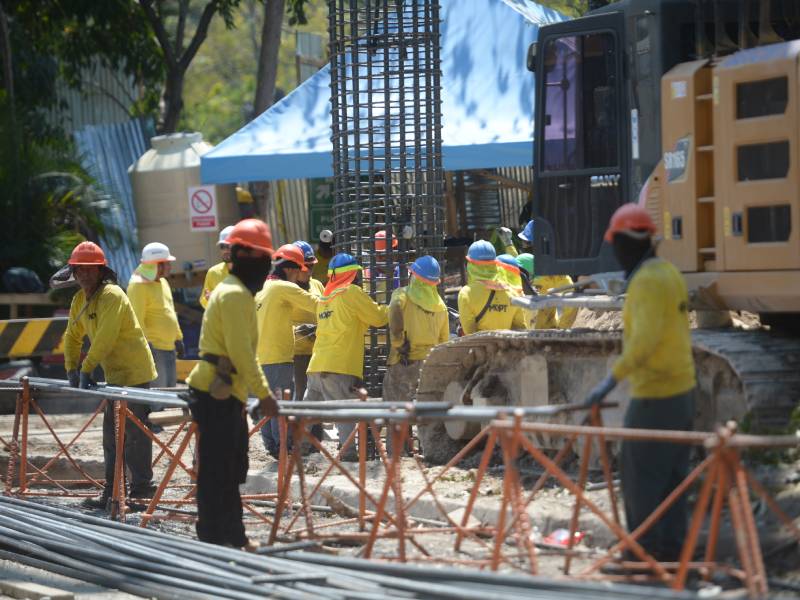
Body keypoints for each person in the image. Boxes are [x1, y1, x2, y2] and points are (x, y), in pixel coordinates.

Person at [585, 203, 696, 562]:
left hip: (655, 397)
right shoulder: (670, 272)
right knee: (673, 481)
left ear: (624, 243)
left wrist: (608, 382)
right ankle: (672, 554)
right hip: (683, 393)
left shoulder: (646, 281)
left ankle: (642, 556)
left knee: (639, 480)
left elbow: (643, 344)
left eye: (616, 244)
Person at [185, 218, 278, 551]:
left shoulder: (232, 291)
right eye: (262, 259)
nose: (265, 266)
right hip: (216, 393)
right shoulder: (235, 294)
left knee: (227, 467)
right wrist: (265, 394)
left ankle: (226, 535)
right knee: (219, 468)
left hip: (223, 391)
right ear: (244, 257)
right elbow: (242, 353)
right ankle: (219, 537)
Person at [62, 241, 157, 509]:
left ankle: (141, 491)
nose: (84, 274)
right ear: (74, 272)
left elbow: (106, 336)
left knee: (135, 436)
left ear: (101, 270)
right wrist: (71, 367)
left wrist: (86, 367)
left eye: (90, 269)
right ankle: (113, 491)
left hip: (134, 372)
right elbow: (72, 335)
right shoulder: (80, 300)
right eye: (80, 269)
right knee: (112, 437)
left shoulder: (112, 295)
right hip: (115, 375)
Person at [305, 253, 388, 460]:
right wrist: (394, 306)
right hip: (339, 366)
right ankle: (348, 456)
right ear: (352, 274)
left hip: (316, 364)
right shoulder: (351, 292)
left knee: (305, 414)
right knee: (344, 412)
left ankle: (293, 450)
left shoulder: (324, 298)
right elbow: (378, 318)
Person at [255, 244, 319, 458]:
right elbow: (318, 304)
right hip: (278, 358)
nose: (301, 275)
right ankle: (285, 448)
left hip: (259, 358)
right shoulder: (283, 287)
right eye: (300, 269)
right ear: (290, 269)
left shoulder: (262, 287)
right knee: (281, 406)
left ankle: (273, 447)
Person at [383, 255, 449, 455]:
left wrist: (398, 342)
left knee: (396, 411)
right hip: (429, 365)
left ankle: (397, 455)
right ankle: (429, 452)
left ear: (414, 275)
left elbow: (394, 309)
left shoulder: (402, 294)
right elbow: (444, 341)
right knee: (426, 413)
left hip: (403, 361)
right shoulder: (441, 306)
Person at [127, 242, 184, 388]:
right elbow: (136, 320)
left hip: (169, 348)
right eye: (167, 263)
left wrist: (178, 338)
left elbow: (170, 310)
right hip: (154, 349)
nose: (170, 267)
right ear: (156, 264)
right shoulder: (138, 285)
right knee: (158, 394)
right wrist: (146, 347)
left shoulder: (163, 282)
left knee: (169, 392)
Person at [517, 219, 577, 329]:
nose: (525, 246)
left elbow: (571, 301)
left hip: (540, 329)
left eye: (528, 243)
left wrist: (561, 329)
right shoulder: (556, 271)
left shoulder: (552, 273)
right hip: (539, 329)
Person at [457, 241, 526, 335]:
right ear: (494, 263)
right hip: (506, 343)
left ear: (470, 264)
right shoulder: (513, 292)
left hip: (480, 344)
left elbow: (469, 331)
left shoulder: (466, 293)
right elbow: (521, 328)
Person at [291, 240, 325, 405]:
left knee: (318, 401)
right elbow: (275, 322)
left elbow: (327, 311)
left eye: (312, 266)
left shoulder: (317, 285)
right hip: (296, 356)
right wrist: (299, 330)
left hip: (317, 353)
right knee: (299, 399)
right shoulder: (285, 289)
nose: (309, 271)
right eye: (306, 266)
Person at [200, 225, 234, 309]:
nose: (225, 250)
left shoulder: (250, 270)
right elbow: (203, 301)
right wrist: (209, 299)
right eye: (222, 246)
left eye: (228, 246)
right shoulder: (213, 272)